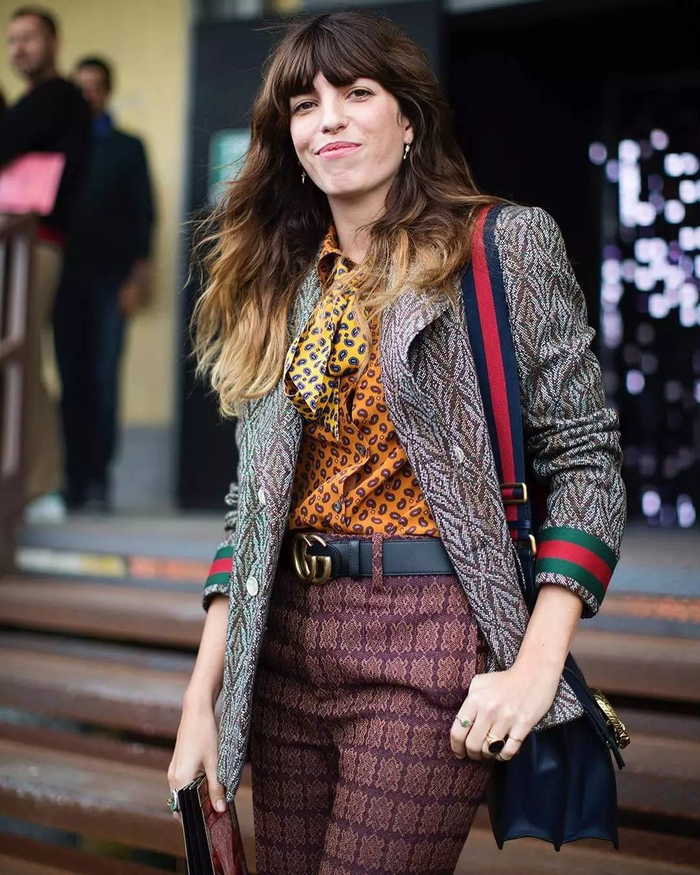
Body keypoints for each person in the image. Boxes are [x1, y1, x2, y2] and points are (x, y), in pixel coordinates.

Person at [168, 11, 627, 874]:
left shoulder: (502, 244)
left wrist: (537, 664)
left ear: (408, 118)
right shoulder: (285, 279)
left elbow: (586, 461)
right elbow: (252, 508)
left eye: (357, 93)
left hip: (430, 636)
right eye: (305, 105)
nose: (330, 120)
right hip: (282, 648)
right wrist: (203, 699)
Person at [0, 6, 91, 523]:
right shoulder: (32, 102)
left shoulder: (59, 97)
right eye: (11, 40)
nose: (19, 48)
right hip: (20, 244)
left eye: (29, 38)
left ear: (53, 42)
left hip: (36, 243)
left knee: (21, 359)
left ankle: (42, 485)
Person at [53, 56, 154, 513]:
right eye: (81, 87)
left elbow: (144, 215)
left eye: (95, 86)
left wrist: (137, 278)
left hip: (112, 282)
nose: (88, 93)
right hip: (63, 282)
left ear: (107, 90)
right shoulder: (58, 148)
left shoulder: (128, 147)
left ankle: (97, 481)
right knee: (70, 380)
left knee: (103, 379)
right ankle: (70, 480)